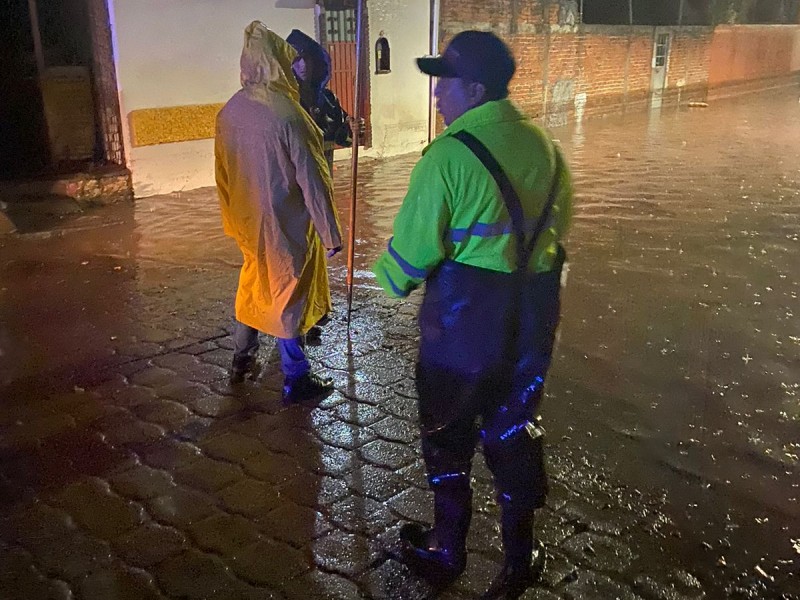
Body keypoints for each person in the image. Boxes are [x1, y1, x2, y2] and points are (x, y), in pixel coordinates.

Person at [372, 31, 573, 599]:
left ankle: (447, 548)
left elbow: (410, 258)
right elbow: (557, 239)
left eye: (446, 82)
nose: (436, 94)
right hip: (532, 321)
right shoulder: (549, 149)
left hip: (462, 331)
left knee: (447, 435)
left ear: (476, 88)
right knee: (513, 430)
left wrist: (381, 280)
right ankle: (519, 558)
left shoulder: (448, 158)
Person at [215, 21, 342, 403]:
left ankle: (241, 359)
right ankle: (295, 376)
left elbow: (221, 174)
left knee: (254, 286)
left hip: (248, 220)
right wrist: (330, 232)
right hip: (285, 221)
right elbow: (313, 178)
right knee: (288, 292)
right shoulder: (289, 115)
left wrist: (231, 220)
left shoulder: (230, 111)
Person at [286, 28, 355, 343]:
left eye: (316, 62)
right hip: (292, 191)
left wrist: (348, 129)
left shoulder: (325, 97)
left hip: (321, 183)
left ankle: (313, 314)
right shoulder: (286, 101)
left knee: (315, 253)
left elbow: (344, 134)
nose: (312, 69)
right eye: (305, 62)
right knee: (294, 257)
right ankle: (293, 320)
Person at [286, 28, 353, 173]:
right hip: (294, 184)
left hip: (324, 179)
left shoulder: (328, 100)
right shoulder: (285, 101)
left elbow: (344, 137)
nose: (302, 65)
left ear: (315, 61)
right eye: (297, 59)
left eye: (306, 58)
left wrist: (354, 128)